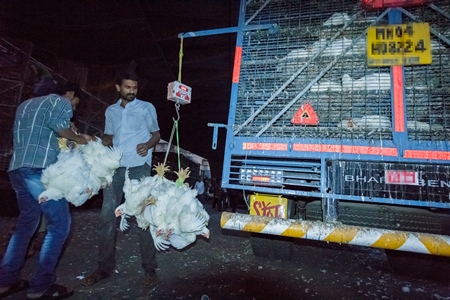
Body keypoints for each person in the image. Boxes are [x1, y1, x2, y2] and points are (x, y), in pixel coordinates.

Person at [0, 81, 92, 299]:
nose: (73, 109)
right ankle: (41, 285)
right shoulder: (59, 101)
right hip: (38, 171)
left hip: (17, 169)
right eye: (75, 103)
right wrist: (81, 139)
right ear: (70, 94)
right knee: (60, 223)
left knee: (26, 223)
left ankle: (5, 281)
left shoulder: (25, 105)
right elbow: (61, 128)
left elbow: (47, 135)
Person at [81, 71, 161, 289]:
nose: (132, 91)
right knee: (107, 216)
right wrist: (99, 141)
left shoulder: (146, 108)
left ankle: (149, 267)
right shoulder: (111, 111)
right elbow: (109, 136)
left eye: (134, 87)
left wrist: (148, 144)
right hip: (115, 169)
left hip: (139, 167)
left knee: (143, 216)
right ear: (118, 88)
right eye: (127, 87)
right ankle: (103, 267)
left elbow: (156, 134)